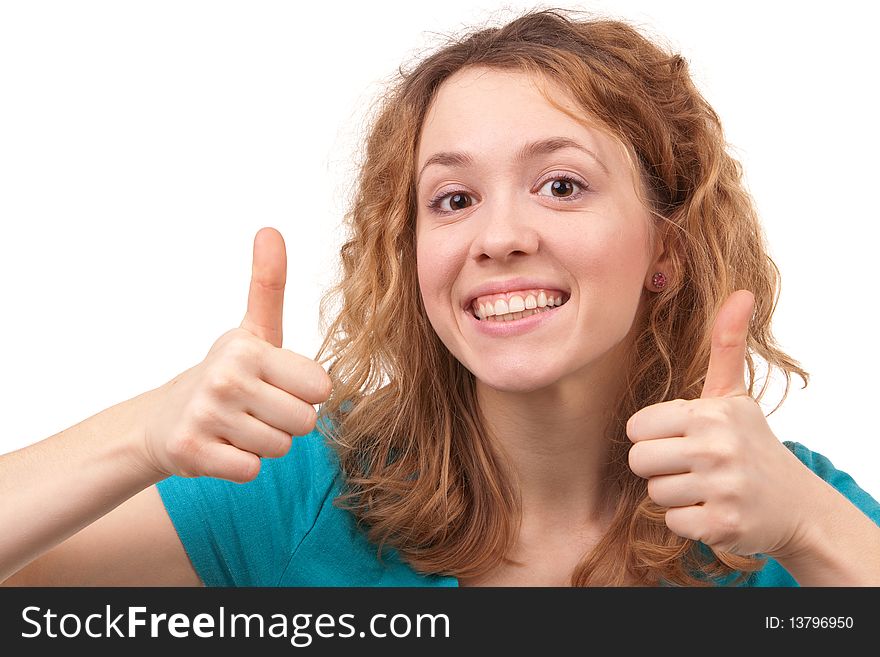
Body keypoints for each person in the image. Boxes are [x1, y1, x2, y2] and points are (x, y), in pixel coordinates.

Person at [1, 8, 878, 588]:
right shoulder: (308, 490)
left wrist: (810, 528)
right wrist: (143, 433)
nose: (497, 236)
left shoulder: (782, 514)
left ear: (668, 252)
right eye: (453, 200)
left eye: (561, 185)